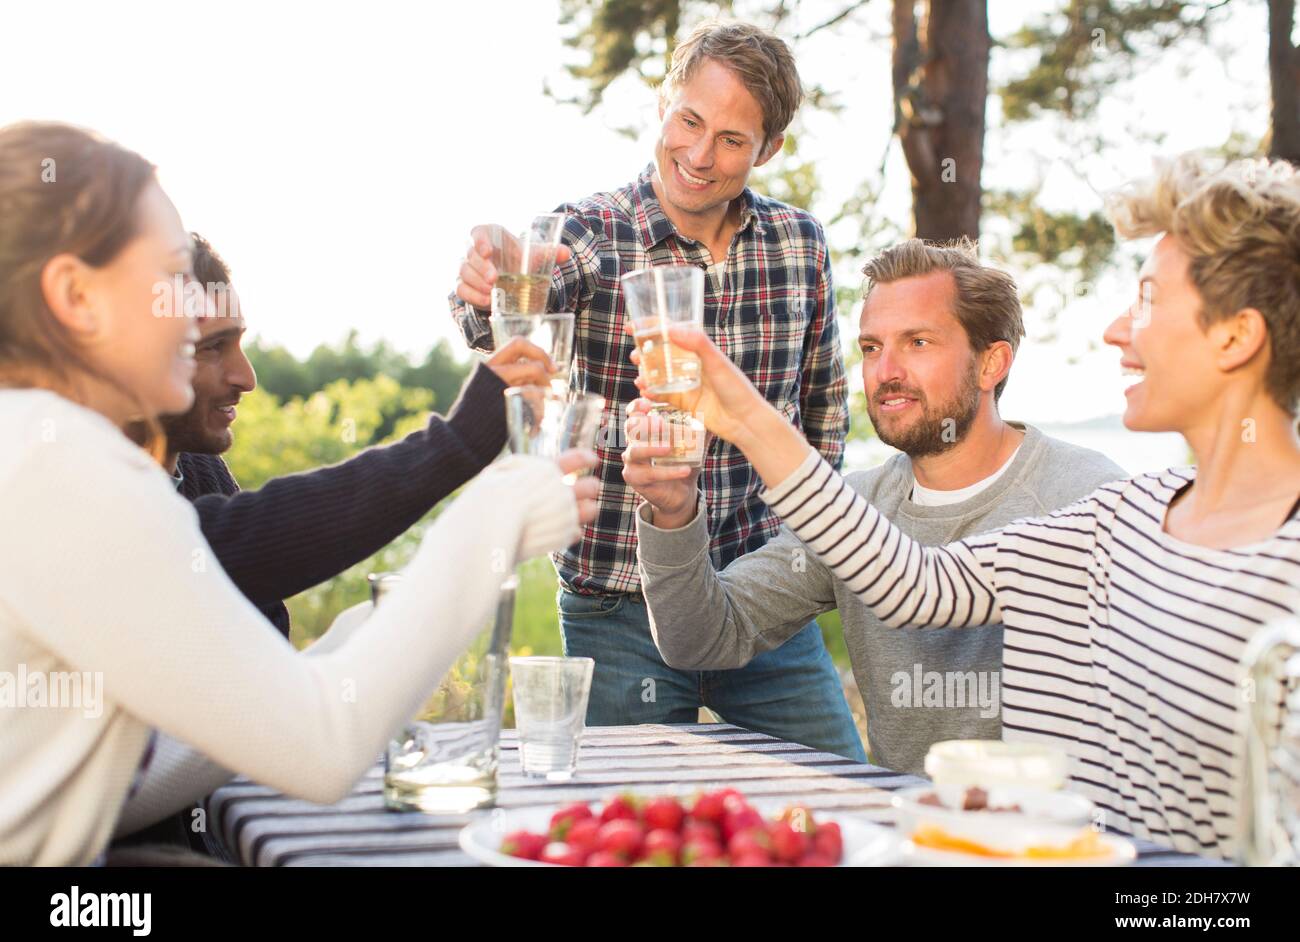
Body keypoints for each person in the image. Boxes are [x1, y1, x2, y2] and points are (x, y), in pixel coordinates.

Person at [631, 153, 1300, 858]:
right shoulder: (1123, 517)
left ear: (1235, 336)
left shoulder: (1125, 504)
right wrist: (726, 438)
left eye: (1149, 298)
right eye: (872, 347)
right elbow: (917, 583)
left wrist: (742, 414)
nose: (1114, 330)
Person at [0, 120, 598, 865]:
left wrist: (359, 641)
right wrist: (501, 512)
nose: (190, 312)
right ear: (74, 296)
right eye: (169, 279)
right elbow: (323, 748)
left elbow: (121, 764)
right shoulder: (67, 469)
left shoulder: (34, 445)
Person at [450, 20, 863, 760]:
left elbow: (825, 416)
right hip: (618, 610)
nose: (699, 157)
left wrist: (803, 559)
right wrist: (494, 285)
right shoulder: (590, 231)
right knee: (626, 821)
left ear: (767, 150)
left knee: (842, 804)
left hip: (764, 607)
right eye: (690, 121)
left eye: (733, 140)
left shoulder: (801, 243)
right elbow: (517, 313)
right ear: (665, 104)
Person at [625, 239, 1125, 774]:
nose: (886, 370)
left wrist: (748, 419)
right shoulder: (858, 505)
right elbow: (703, 640)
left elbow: (919, 587)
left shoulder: (1084, 492)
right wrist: (673, 513)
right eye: (870, 347)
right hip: (909, 837)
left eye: (918, 342)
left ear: (991, 363)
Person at [159, 233, 560, 638]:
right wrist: (462, 439)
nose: (247, 378)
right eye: (211, 347)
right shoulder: (110, 505)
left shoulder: (198, 468)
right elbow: (236, 545)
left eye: (238, 342)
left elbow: (252, 594)